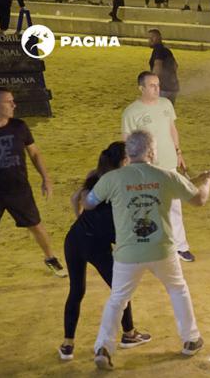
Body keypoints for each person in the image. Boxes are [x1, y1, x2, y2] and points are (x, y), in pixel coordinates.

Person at [85, 131, 210, 370]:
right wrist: (208, 180)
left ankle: (103, 347)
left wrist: (88, 188)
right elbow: (199, 199)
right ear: (150, 151)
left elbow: (89, 203)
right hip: (161, 250)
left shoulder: (113, 178)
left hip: (128, 253)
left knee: (117, 299)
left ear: (129, 152)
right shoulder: (166, 176)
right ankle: (190, 339)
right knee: (178, 289)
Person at [59, 142, 151, 361]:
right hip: (98, 245)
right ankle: (129, 334)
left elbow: (75, 199)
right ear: (124, 161)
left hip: (74, 238)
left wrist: (80, 219)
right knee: (121, 291)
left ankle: (67, 344)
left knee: (76, 291)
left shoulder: (96, 175)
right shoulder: (122, 183)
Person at [122, 72, 197, 262]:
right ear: (141, 88)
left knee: (174, 206)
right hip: (148, 167)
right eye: (152, 85)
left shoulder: (166, 104)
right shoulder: (131, 112)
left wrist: (178, 152)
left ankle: (180, 247)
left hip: (169, 163)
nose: (157, 89)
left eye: (157, 85)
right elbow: (128, 141)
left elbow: (172, 129)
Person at [0, 87, 66, 277]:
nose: (14, 105)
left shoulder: (19, 127)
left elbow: (34, 153)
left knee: (35, 225)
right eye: (8, 102)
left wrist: (46, 178)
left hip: (18, 189)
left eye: (13, 100)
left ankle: (50, 258)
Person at [148, 29, 180, 105]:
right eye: (149, 38)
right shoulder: (167, 51)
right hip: (172, 88)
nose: (150, 40)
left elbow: (157, 68)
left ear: (159, 38)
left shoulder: (157, 51)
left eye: (152, 37)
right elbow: (175, 65)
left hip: (162, 88)